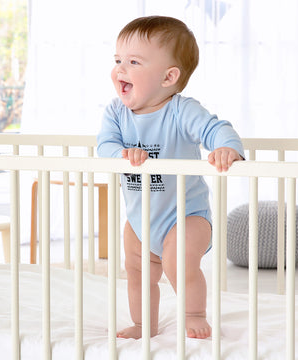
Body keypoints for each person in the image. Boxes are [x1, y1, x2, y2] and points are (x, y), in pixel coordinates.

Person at [97, 15, 244, 340]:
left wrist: (226, 148)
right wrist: (121, 155)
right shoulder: (116, 113)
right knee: (136, 272)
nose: (120, 69)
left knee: (178, 261)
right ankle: (142, 323)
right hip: (140, 219)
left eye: (133, 61)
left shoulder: (181, 110)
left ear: (168, 77)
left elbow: (216, 128)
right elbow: (104, 146)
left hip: (186, 216)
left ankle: (193, 313)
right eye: (118, 60)